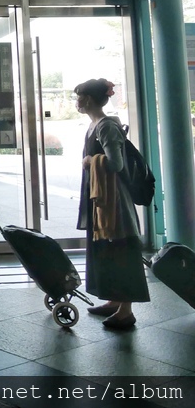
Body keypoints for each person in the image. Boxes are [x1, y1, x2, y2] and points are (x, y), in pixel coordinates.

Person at [74, 78, 149, 330]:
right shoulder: (95, 125)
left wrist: (89, 161)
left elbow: (115, 164)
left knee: (120, 248)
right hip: (103, 198)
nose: (77, 101)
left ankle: (125, 310)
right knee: (107, 247)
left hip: (114, 201)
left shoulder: (106, 126)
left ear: (89, 99)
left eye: (79, 96)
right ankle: (114, 300)